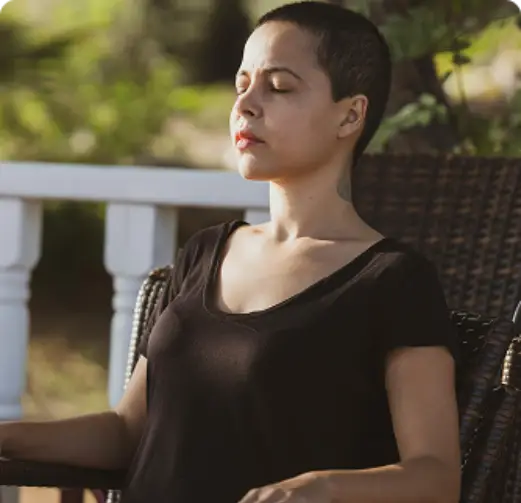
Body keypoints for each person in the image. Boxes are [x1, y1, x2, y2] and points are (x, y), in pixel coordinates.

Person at [0, 2, 461, 502]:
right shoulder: (206, 252)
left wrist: (321, 488)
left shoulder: (392, 280)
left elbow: (436, 476)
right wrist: (8, 436)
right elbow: (128, 432)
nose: (245, 105)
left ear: (350, 115)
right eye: (242, 84)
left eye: (278, 87)